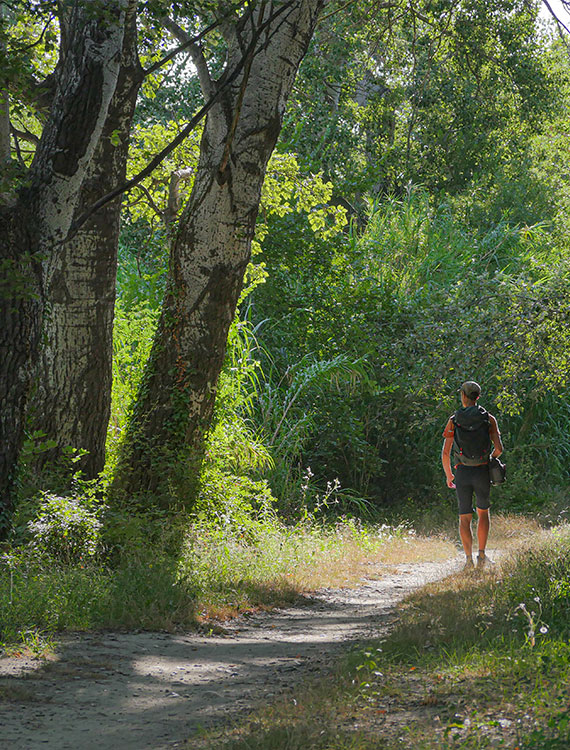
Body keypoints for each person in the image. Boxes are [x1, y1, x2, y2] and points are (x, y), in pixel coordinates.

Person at [441, 381, 503, 570]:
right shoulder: (488, 419)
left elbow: (445, 453)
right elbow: (499, 449)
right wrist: (489, 458)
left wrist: (449, 475)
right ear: (478, 397)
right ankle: (482, 556)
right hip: (482, 471)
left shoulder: (454, 420)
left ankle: (468, 560)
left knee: (464, 517)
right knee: (483, 513)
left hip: (462, 472)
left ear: (463, 396)